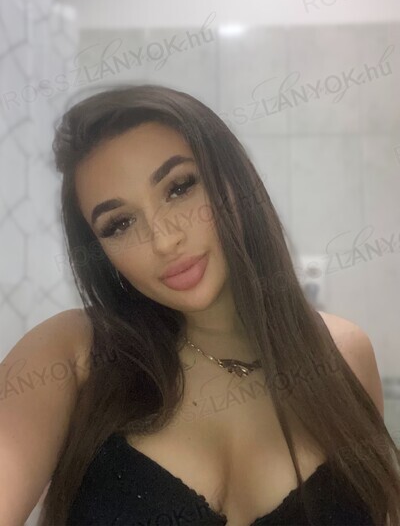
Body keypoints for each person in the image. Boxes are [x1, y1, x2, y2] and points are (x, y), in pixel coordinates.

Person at [1, 84, 399, 526]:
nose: (164, 239)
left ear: (232, 181)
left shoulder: (344, 353)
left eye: (179, 187)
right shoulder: (73, 354)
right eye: (120, 224)